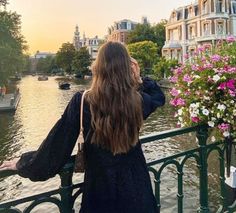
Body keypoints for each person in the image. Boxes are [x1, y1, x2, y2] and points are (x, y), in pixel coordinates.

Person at [0, 41, 165, 213]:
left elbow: (56, 147)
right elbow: (158, 97)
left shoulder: (83, 102)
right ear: (127, 68)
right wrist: (138, 78)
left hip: (101, 191)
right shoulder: (138, 101)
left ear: (98, 68)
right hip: (137, 188)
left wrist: (23, 163)